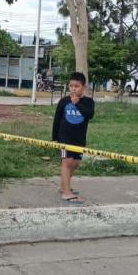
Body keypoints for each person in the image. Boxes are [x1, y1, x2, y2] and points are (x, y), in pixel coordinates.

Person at [52, 72, 95, 204]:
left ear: (83, 87)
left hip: (79, 139)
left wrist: (77, 104)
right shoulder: (64, 101)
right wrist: (54, 137)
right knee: (67, 162)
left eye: (77, 86)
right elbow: (57, 119)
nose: (73, 88)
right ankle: (66, 192)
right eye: (71, 86)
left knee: (75, 164)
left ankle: (64, 186)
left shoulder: (88, 102)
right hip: (65, 137)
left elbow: (89, 115)